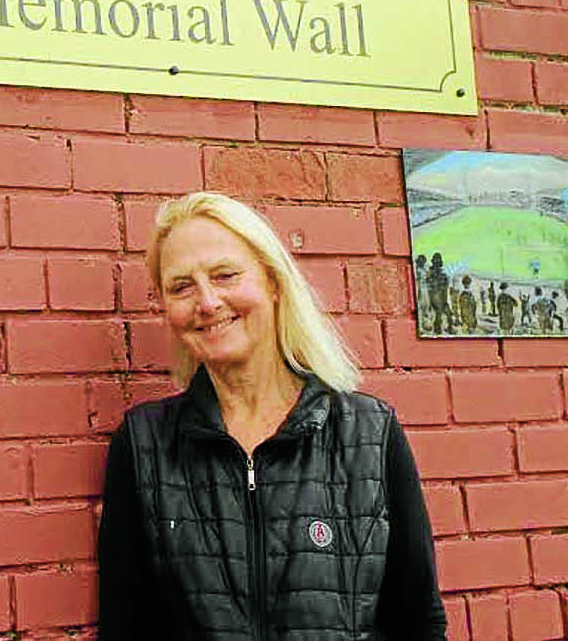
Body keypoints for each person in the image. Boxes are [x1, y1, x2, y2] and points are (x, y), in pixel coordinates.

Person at [98, 192, 446, 639]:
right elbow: (124, 627)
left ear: (273, 282)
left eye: (225, 275)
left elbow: (418, 620)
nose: (206, 302)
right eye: (181, 286)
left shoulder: (369, 433)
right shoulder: (145, 444)